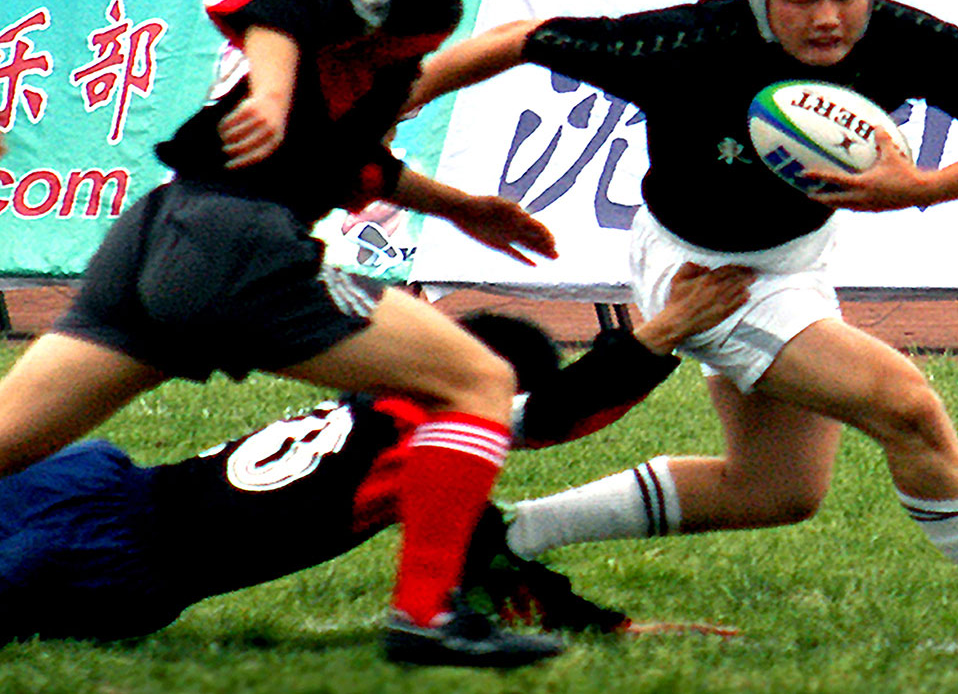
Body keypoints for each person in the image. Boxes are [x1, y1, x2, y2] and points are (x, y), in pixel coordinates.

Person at [397, 0, 958, 650]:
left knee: (775, 490)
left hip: (798, 258)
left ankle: (505, 533)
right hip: (701, 272)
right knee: (906, 406)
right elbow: (519, 37)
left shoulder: (903, 36)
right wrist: (395, 101)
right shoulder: (689, 43)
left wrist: (922, 187)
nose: (827, 17)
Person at [0, 0, 562, 668]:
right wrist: (267, 89)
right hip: (235, 244)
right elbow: (280, 4)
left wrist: (460, 207)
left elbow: (340, 156)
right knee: (478, 379)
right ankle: (427, 615)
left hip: (157, 232)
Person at [0, 263, 754, 644]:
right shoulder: (430, 444)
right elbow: (548, 427)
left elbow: (533, 439)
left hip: (95, 487)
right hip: (111, 563)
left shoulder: (375, 399)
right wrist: (656, 337)